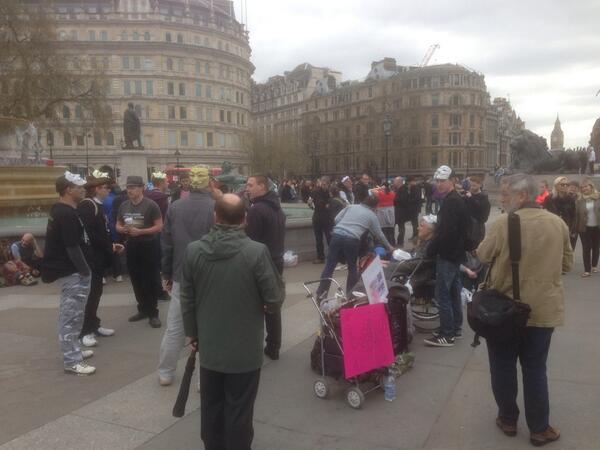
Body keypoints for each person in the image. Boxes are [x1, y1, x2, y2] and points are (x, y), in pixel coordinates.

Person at [181, 194, 284, 450]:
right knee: (239, 410)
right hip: (245, 349)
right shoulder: (256, 252)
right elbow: (273, 300)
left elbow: (187, 297)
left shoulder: (193, 250)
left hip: (210, 346)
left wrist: (192, 333)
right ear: (245, 220)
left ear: (215, 217)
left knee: (211, 406)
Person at [477, 173, 573, 447]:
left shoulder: (502, 224)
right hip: (542, 310)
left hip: (504, 311)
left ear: (522, 196)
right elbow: (565, 266)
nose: (502, 198)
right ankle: (540, 429)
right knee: (535, 368)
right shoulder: (558, 224)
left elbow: (483, 256)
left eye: (507, 194)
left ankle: (508, 419)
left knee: (503, 366)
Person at [158, 167, 215, 386]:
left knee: (174, 328)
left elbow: (167, 244)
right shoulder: (215, 207)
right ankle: (203, 379)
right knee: (207, 328)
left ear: (188, 184)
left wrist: (166, 273)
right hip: (209, 276)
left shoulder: (175, 207)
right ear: (208, 183)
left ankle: (165, 372)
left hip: (182, 273)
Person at [41, 172, 95, 375]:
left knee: (75, 314)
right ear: (67, 190)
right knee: (70, 316)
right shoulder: (66, 213)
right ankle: (71, 360)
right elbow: (72, 247)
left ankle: (74, 349)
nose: (83, 189)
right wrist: (85, 271)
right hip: (72, 273)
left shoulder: (61, 210)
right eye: (78, 186)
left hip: (70, 271)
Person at [424, 165, 470, 347]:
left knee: (442, 293)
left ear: (452, 181)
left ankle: (447, 333)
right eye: (437, 181)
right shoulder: (454, 199)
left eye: (442, 181)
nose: (439, 184)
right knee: (453, 292)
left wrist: (432, 248)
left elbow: (446, 232)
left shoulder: (451, 201)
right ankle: (455, 328)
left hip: (448, 253)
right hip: (455, 252)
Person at [316, 194, 395, 298]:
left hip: (336, 236)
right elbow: (379, 234)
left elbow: (336, 219)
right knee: (352, 268)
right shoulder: (372, 215)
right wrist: (389, 247)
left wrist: (345, 226)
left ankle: (321, 293)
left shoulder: (351, 206)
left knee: (330, 265)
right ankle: (350, 294)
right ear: (375, 206)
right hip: (352, 240)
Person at [77, 171, 123, 347]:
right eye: (106, 189)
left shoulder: (97, 205)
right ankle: (85, 331)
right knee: (90, 294)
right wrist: (107, 246)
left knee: (96, 293)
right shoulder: (88, 205)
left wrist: (110, 245)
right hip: (92, 257)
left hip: (99, 256)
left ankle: (94, 325)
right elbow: (89, 233)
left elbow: (102, 231)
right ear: (97, 189)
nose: (108, 192)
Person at [245, 175, 287, 361]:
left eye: (250, 185)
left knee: (254, 304)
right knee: (273, 304)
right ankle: (274, 346)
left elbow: (251, 242)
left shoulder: (257, 210)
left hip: (261, 262)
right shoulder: (277, 207)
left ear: (262, 186)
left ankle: (252, 346)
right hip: (277, 260)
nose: (247, 188)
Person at [117, 176, 163, 328]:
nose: (130, 190)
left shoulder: (151, 205)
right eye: (128, 187)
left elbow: (159, 226)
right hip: (131, 245)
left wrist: (141, 231)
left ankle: (153, 313)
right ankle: (142, 309)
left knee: (150, 279)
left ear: (142, 188)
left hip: (148, 245)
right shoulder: (124, 205)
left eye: (133, 187)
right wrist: (121, 229)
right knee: (136, 279)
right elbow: (117, 224)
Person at [145, 171, 170, 302]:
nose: (168, 183)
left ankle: (149, 290)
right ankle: (160, 290)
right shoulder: (162, 197)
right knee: (159, 262)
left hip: (146, 231)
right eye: (166, 181)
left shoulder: (146, 195)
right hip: (159, 232)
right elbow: (166, 218)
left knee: (150, 263)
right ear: (160, 183)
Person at [574, 178, 600, 277]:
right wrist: (575, 228)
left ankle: (594, 265)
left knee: (596, 247)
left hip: (597, 227)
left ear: (591, 187)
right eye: (582, 187)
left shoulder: (598, 197)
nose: (584, 188)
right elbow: (576, 215)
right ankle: (587, 270)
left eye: (586, 186)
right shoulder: (579, 200)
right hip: (584, 228)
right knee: (586, 248)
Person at [543, 176, 577, 250]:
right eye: (562, 184)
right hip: (553, 229)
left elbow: (574, 215)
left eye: (567, 185)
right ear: (556, 186)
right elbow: (544, 214)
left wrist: (572, 230)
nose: (565, 186)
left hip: (567, 229)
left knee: (567, 252)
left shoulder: (570, 199)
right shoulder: (549, 199)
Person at [102, 183, 124, 282]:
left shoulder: (99, 200)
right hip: (112, 225)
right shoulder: (114, 199)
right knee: (114, 249)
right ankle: (118, 274)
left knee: (101, 250)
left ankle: (102, 276)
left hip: (102, 226)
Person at [309, 176, 332, 263]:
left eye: (325, 184)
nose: (323, 186)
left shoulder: (330, 192)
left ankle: (332, 256)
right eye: (322, 184)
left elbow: (332, 202)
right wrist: (311, 205)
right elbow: (310, 202)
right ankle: (320, 257)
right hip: (317, 217)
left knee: (330, 238)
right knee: (318, 239)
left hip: (327, 218)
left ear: (328, 184)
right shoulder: (315, 191)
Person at [465, 175, 491, 247]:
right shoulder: (468, 195)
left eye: (474, 185)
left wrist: (471, 198)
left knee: (476, 247)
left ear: (480, 185)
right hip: (468, 226)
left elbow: (481, 210)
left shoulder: (483, 197)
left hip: (477, 228)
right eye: (470, 185)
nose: (472, 187)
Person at [394, 176, 421, 247]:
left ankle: (414, 236)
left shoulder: (414, 188)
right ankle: (414, 236)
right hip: (410, 209)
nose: (409, 184)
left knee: (414, 223)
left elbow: (415, 198)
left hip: (411, 209)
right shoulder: (410, 188)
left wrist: (408, 201)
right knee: (413, 223)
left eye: (409, 183)